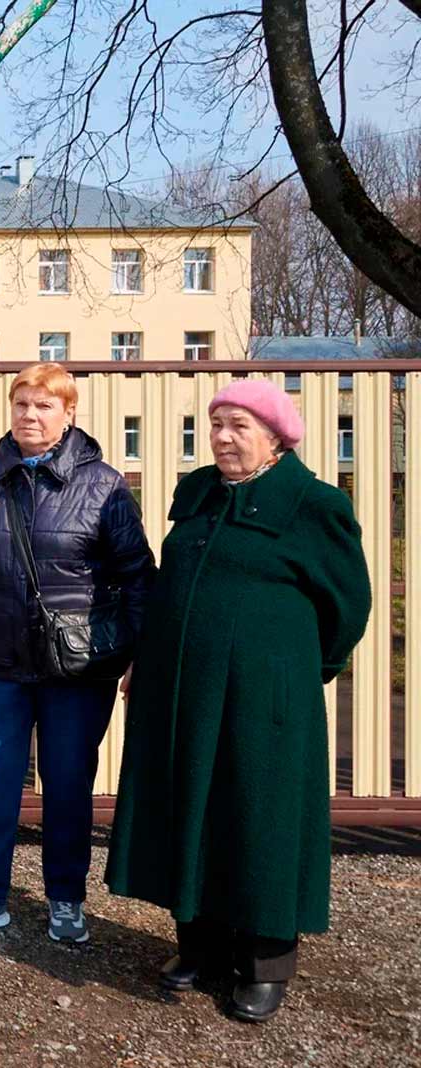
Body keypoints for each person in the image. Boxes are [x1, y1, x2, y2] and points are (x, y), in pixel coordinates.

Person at [107, 379, 370, 1024]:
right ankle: (199, 943)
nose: (223, 437)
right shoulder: (198, 491)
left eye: (239, 426)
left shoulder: (314, 504)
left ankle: (263, 963)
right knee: (192, 807)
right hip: (183, 689)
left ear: (277, 436)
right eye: (216, 424)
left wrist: (302, 667)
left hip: (267, 698)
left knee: (261, 818)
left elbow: (349, 604)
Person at [0, 361, 155, 944]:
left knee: (68, 782)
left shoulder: (102, 484)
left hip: (77, 669)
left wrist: (136, 651)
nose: (30, 415)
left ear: (69, 413)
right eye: (22, 404)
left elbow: (137, 575)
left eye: (44, 406)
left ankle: (65, 899)